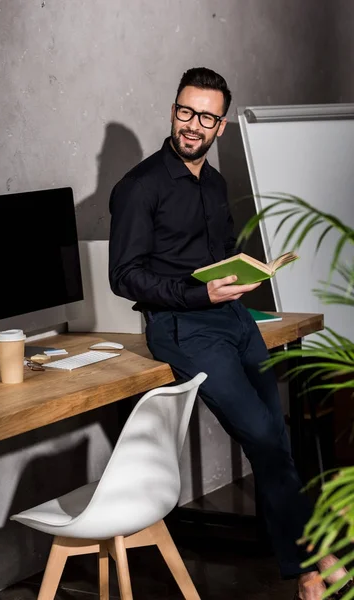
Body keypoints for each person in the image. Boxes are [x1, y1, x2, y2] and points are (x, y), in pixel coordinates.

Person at [108, 67, 351, 600]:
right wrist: (201, 295)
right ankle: (311, 567)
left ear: (220, 125)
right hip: (180, 326)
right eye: (184, 111)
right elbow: (124, 276)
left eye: (206, 117)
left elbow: (216, 260)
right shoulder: (139, 186)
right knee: (263, 436)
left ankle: (305, 561)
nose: (192, 124)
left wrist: (243, 277)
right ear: (174, 110)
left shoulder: (215, 183)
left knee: (276, 434)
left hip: (233, 319)